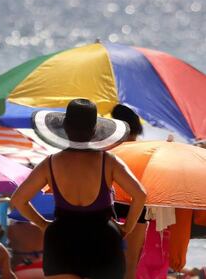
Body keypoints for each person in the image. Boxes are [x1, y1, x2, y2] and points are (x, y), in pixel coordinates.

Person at [11, 98, 147, 279]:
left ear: (65, 128)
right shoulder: (108, 161)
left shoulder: (50, 163)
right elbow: (140, 195)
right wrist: (126, 228)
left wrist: (43, 224)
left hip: (61, 239)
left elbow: (18, 199)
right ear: (94, 130)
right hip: (103, 239)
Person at [111, 104, 149, 279]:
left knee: (105, 262)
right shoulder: (147, 151)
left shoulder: (109, 150)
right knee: (131, 264)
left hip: (111, 207)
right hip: (138, 209)